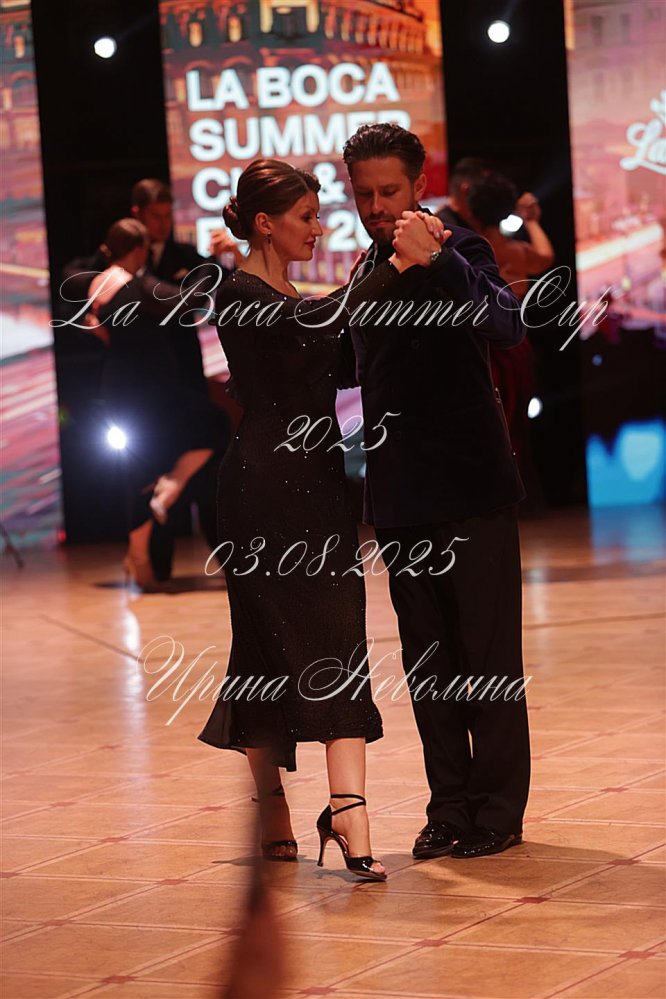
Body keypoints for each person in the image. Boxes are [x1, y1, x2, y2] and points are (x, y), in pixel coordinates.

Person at [197, 159, 432, 881]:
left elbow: (338, 353)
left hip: (322, 486)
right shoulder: (238, 291)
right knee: (264, 649)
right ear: (264, 223)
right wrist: (395, 264)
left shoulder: (295, 294)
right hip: (260, 490)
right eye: (306, 216)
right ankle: (272, 806)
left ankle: (348, 809)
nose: (319, 227)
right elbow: (321, 322)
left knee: (339, 640)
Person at [342, 123, 531, 859]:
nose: (377, 207)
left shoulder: (464, 248)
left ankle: (498, 811)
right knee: (430, 667)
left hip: (472, 490)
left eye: (390, 191)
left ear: (420, 185)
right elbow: (348, 362)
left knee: (488, 661)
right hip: (399, 497)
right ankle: (448, 806)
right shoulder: (366, 268)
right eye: (364, 195)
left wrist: (441, 259)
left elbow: (506, 325)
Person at [87, 219, 220, 591]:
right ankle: (168, 492)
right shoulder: (136, 285)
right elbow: (188, 301)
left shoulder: (99, 284)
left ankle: (140, 553)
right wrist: (213, 265)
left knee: (141, 471)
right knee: (215, 425)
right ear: (140, 250)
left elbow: (98, 328)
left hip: (121, 390)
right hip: (149, 394)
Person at [467, 171, 555, 481]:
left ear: (472, 211)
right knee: (515, 428)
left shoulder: (467, 253)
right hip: (516, 348)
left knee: (485, 428)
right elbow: (545, 256)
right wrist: (530, 221)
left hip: (480, 350)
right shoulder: (516, 252)